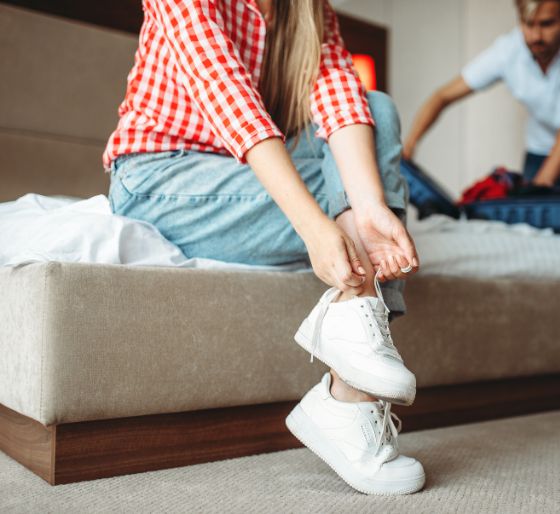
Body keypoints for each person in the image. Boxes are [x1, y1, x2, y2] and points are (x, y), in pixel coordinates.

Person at [103, 0, 425, 495]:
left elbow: (337, 90)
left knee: (373, 107)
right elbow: (226, 93)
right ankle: (351, 397)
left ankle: (350, 374)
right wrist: (316, 229)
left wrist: (367, 207)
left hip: (246, 173)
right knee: (353, 170)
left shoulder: (309, 8)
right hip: (162, 177)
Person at [404, 0, 560, 230]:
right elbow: (442, 96)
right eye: (528, 24)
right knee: (531, 230)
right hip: (540, 147)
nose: (535, 35)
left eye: (547, 24)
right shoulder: (507, 50)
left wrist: (538, 190)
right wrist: (409, 145)